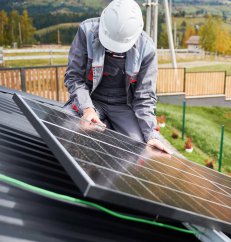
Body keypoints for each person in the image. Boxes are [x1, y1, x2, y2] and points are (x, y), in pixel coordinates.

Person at [64, 0, 171, 154]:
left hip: (123, 106)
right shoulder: (86, 31)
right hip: (90, 99)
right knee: (65, 126)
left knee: (137, 147)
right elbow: (74, 77)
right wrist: (87, 108)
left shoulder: (147, 49)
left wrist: (151, 134)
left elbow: (145, 97)